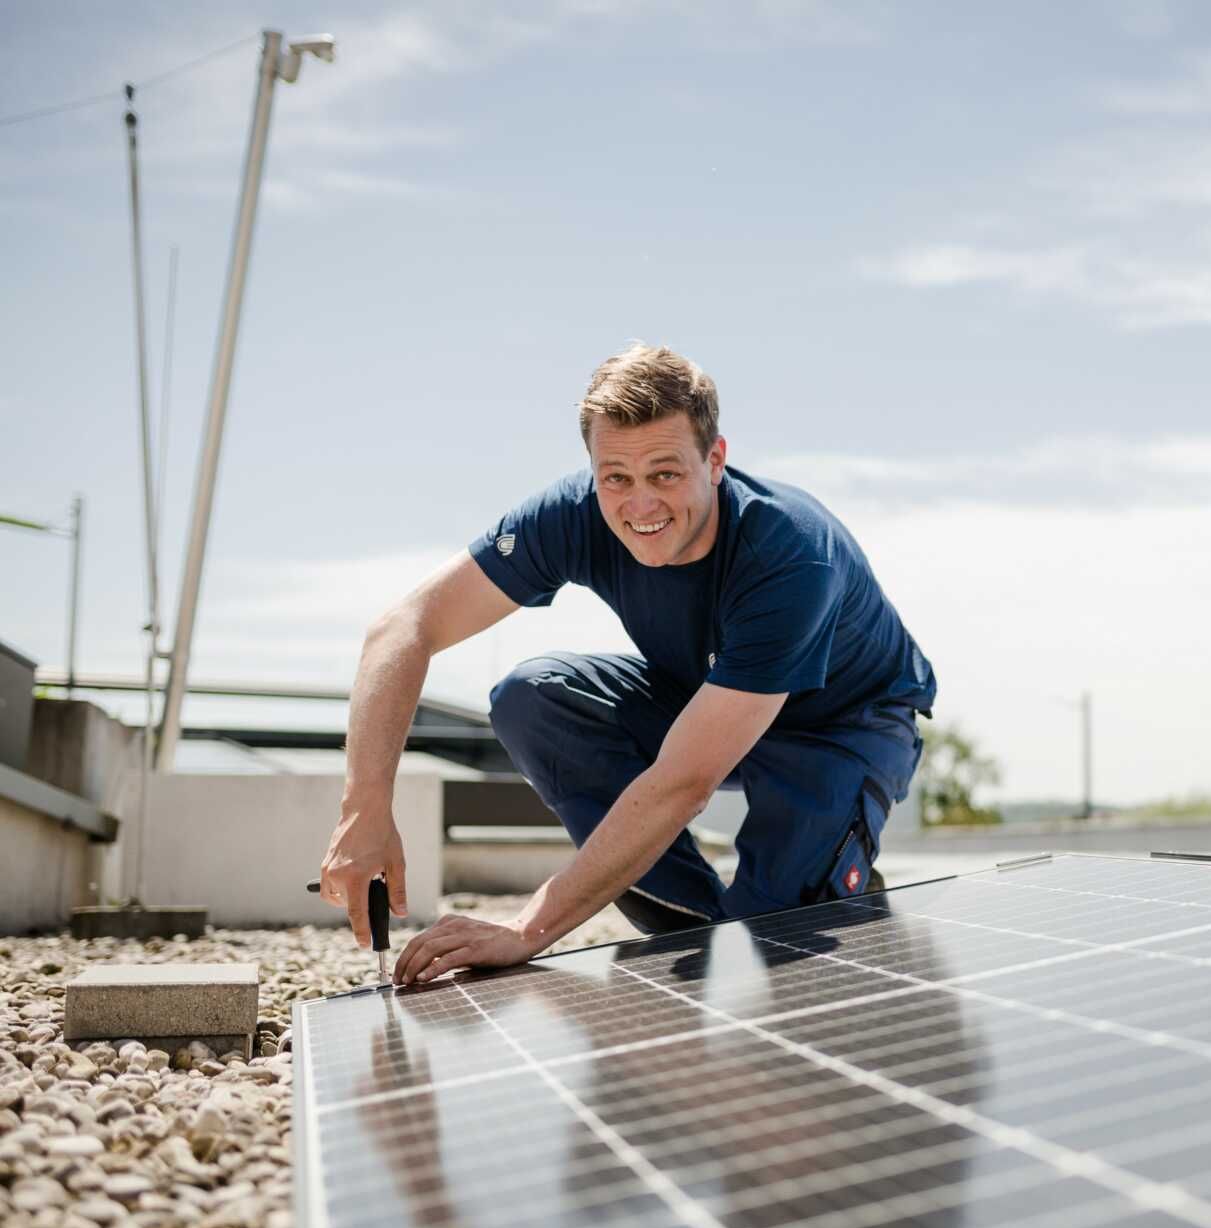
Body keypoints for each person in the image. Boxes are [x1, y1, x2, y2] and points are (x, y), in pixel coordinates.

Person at [317, 342, 936, 985]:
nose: (640, 505)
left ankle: (824, 887)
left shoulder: (790, 553)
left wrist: (527, 929)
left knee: (779, 936)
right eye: (616, 478)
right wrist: (364, 808)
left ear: (715, 459)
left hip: (840, 728)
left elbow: (683, 782)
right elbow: (402, 628)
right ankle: (692, 918)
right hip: (706, 701)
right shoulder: (571, 515)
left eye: (665, 474)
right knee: (533, 698)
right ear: (592, 468)